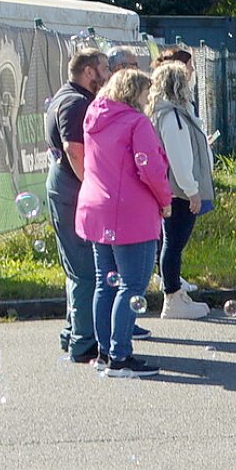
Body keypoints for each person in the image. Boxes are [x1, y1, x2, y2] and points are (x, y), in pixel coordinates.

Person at [78, 68, 173, 378]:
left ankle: (105, 352)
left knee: (105, 283)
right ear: (134, 93)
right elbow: (151, 170)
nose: (149, 99)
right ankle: (121, 356)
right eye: (146, 93)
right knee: (131, 284)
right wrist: (165, 200)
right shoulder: (137, 122)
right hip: (131, 212)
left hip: (97, 209)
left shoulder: (93, 116)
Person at [44, 49, 110, 364]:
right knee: (85, 269)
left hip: (62, 186)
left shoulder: (65, 95)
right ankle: (84, 343)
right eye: (104, 68)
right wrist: (91, 187)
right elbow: (74, 147)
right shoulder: (76, 102)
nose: (108, 75)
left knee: (74, 267)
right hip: (72, 189)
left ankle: (73, 332)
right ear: (88, 70)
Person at [149, 62, 214, 320]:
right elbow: (179, 158)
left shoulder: (169, 113)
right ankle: (173, 298)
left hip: (175, 191)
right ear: (178, 85)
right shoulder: (173, 116)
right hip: (180, 193)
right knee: (174, 244)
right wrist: (192, 191)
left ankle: (175, 294)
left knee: (171, 242)